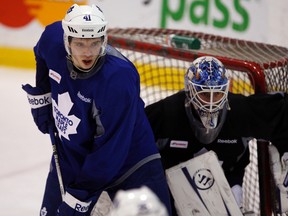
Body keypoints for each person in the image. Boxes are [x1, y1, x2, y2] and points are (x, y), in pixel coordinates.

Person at [22, 4, 171, 216]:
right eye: (80, 44)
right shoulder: (52, 38)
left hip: (131, 161)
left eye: (94, 43)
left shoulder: (118, 79)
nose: (88, 52)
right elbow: (42, 56)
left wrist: (78, 197)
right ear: (67, 41)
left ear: (104, 40)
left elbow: (111, 150)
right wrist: (42, 97)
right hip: (73, 154)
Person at [144, 56, 288, 215]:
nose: (211, 102)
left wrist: (285, 154)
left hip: (229, 191)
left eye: (218, 93)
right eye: (205, 93)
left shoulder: (241, 111)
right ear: (190, 89)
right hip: (171, 196)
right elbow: (133, 147)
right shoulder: (166, 114)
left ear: (226, 89)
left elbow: (282, 113)